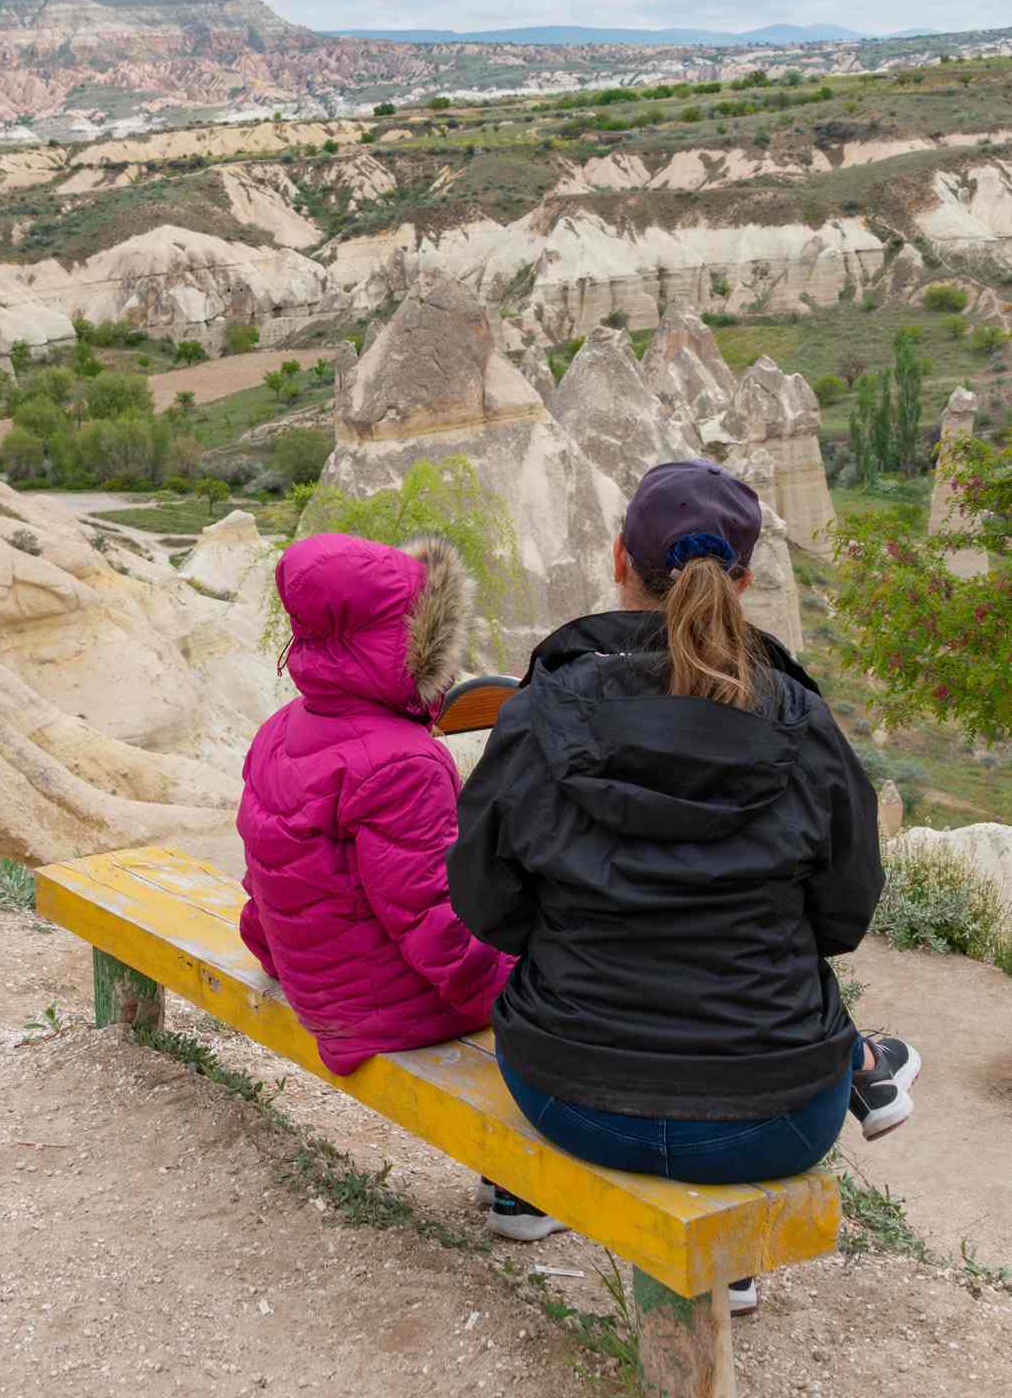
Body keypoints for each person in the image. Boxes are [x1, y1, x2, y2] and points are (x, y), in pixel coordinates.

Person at [449, 460, 920, 1310]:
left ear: (618, 561)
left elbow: (486, 905)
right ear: (741, 581)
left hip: (569, 1092)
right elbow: (843, 916)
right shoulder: (803, 725)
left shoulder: (536, 714)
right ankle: (730, 1264)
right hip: (773, 1120)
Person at [238, 529, 561, 1242]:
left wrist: (274, 957)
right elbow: (437, 924)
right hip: (385, 1010)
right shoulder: (403, 763)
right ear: (410, 647)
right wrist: (516, 992)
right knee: (544, 979)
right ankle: (522, 1194)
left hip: (313, 979)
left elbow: (266, 876)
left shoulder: (278, 732)